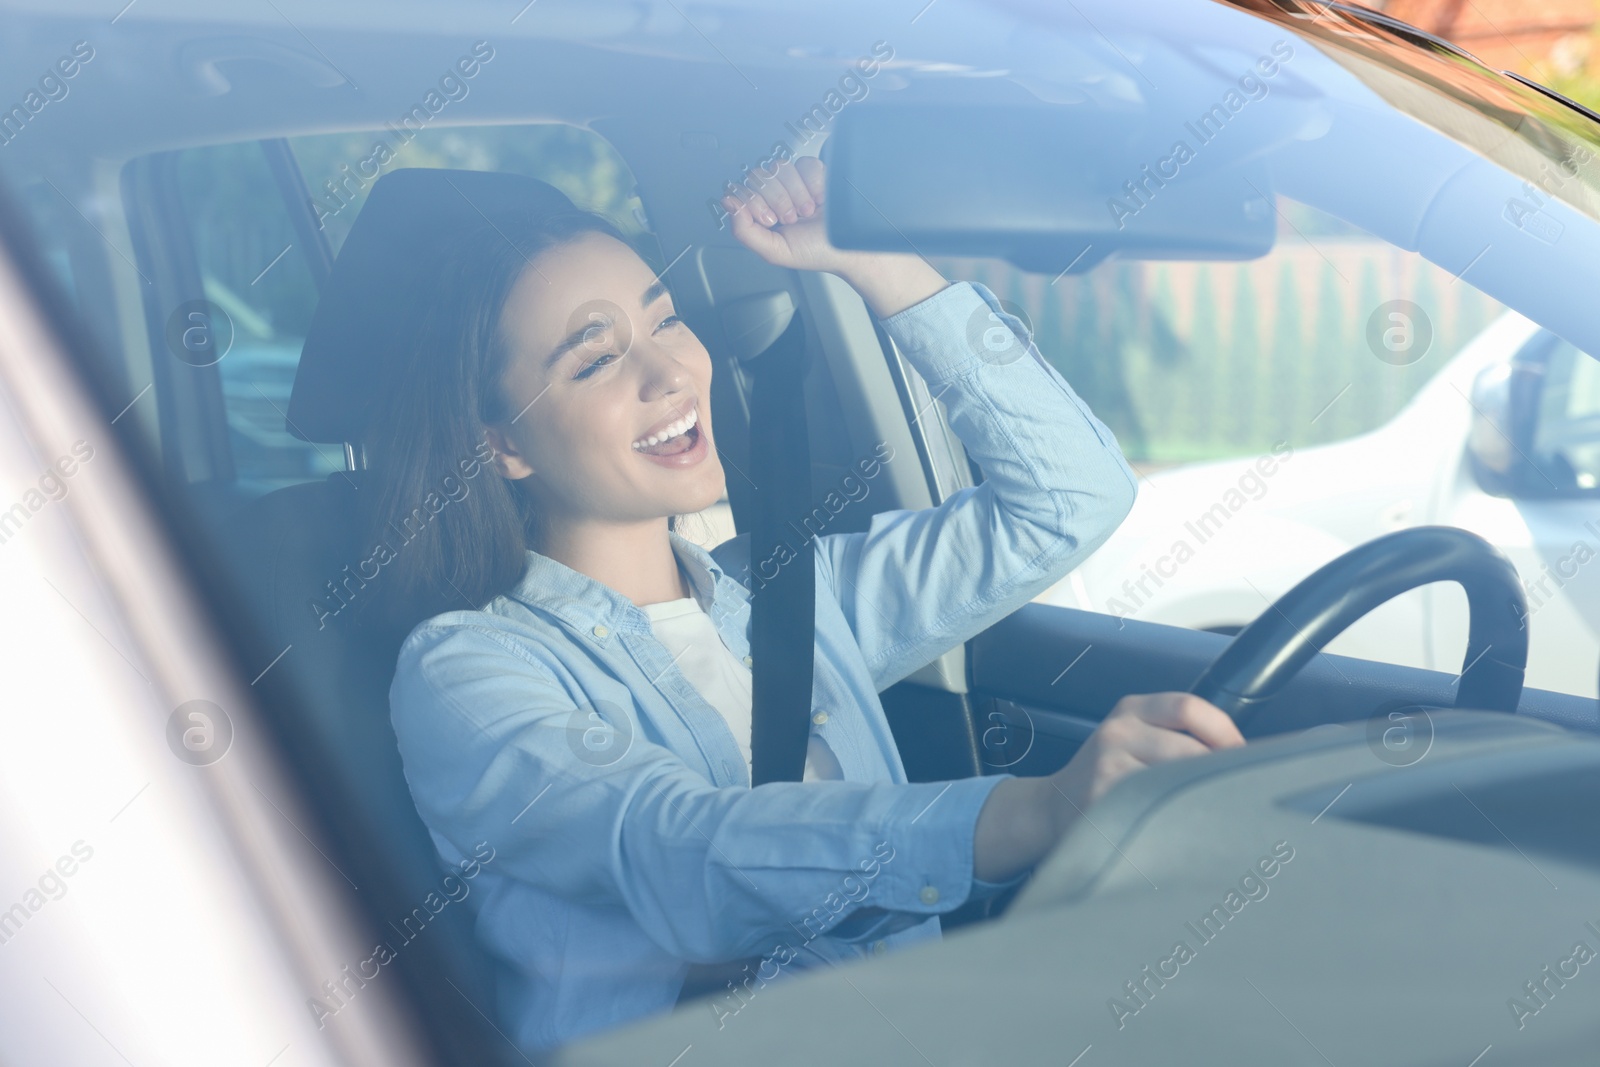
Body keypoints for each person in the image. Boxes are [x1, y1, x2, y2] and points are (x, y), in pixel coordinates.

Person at [371, 156, 1245, 1052]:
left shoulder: (788, 592)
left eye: (665, 319)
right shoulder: (464, 670)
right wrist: (1034, 812)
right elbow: (679, 849)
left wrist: (878, 264)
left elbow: (1073, 496)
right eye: (596, 359)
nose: (667, 373)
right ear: (504, 444)